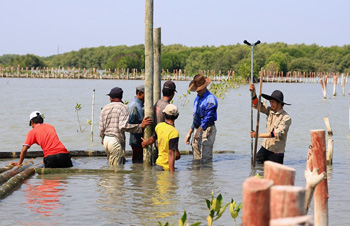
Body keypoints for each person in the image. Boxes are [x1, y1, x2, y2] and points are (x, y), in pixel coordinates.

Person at [99, 86, 152, 165]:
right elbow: (123, 126)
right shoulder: (124, 107)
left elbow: (101, 127)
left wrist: (102, 138)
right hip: (115, 140)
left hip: (106, 139)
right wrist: (141, 126)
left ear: (110, 98)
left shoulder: (105, 108)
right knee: (116, 170)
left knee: (112, 165)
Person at [249, 83, 292, 165]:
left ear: (279, 103)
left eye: (273, 102)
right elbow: (257, 105)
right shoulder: (270, 111)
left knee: (274, 176)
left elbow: (275, 133)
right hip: (265, 148)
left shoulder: (286, 118)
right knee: (255, 166)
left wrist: (257, 135)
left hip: (276, 153)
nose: (271, 104)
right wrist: (253, 92)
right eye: (270, 102)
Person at [185, 74, 218, 162]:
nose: (197, 91)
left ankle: (206, 175)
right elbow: (196, 117)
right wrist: (190, 132)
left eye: (198, 89)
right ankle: (197, 175)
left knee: (206, 158)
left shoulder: (210, 100)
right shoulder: (197, 99)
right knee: (196, 157)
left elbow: (208, 117)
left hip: (207, 129)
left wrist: (199, 131)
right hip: (197, 129)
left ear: (204, 87)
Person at [142, 104, 181, 172]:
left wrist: (145, 143)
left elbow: (152, 139)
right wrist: (172, 174)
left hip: (158, 164)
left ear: (164, 115)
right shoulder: (174, 133)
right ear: (177, 116)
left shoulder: (159, 126)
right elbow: (171, 153)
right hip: (166, 168)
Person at [152, 80, 177, 163]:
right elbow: (171, 129)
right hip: (164, 144)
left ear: (162, 91)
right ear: (173, 93)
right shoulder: (168, 108)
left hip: (156, 140)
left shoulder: (157, 103)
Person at [128, 85, 145, 163]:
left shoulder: (141, 106)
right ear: (140, 93)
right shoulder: (134, 107)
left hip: (141, 141)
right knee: (137, 162)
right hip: (136, 141)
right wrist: (141, 125)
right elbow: (128, 125)